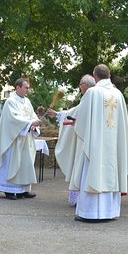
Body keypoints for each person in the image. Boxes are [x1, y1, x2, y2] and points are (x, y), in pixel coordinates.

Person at [70, 64, 128, 222]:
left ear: (94, 76)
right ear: (109, 75)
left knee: (93, 171)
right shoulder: (118, 95)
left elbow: (82, 119)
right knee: (110, 171)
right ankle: (109, 212)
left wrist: (76, 124)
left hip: (96, 146)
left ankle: (90, 213)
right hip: (113, 146)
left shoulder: (92, 92)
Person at [0, 77, 42, 199]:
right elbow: (13, 119)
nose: (28, 90)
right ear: (18, 87)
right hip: (12, 139)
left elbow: (32, 116)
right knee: (10, 163)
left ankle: (23, 189)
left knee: (25, 163)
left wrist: (34, 124)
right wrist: (30, 123)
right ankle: (8, 189)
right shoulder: (10, 102)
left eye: (28, 88)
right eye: (26, 87)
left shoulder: (27, 101)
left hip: (24, 138)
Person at [50, 75, 95, 205]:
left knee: (81, 167)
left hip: (84, 140)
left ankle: (82, 198)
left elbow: (76, 113)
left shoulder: (90, 96)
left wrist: (58, 114)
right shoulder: (90, 97)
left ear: (85, 85)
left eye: (80, 85)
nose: (80, 87)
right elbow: (75, 112)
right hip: (89, 138)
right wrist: (58, 114)